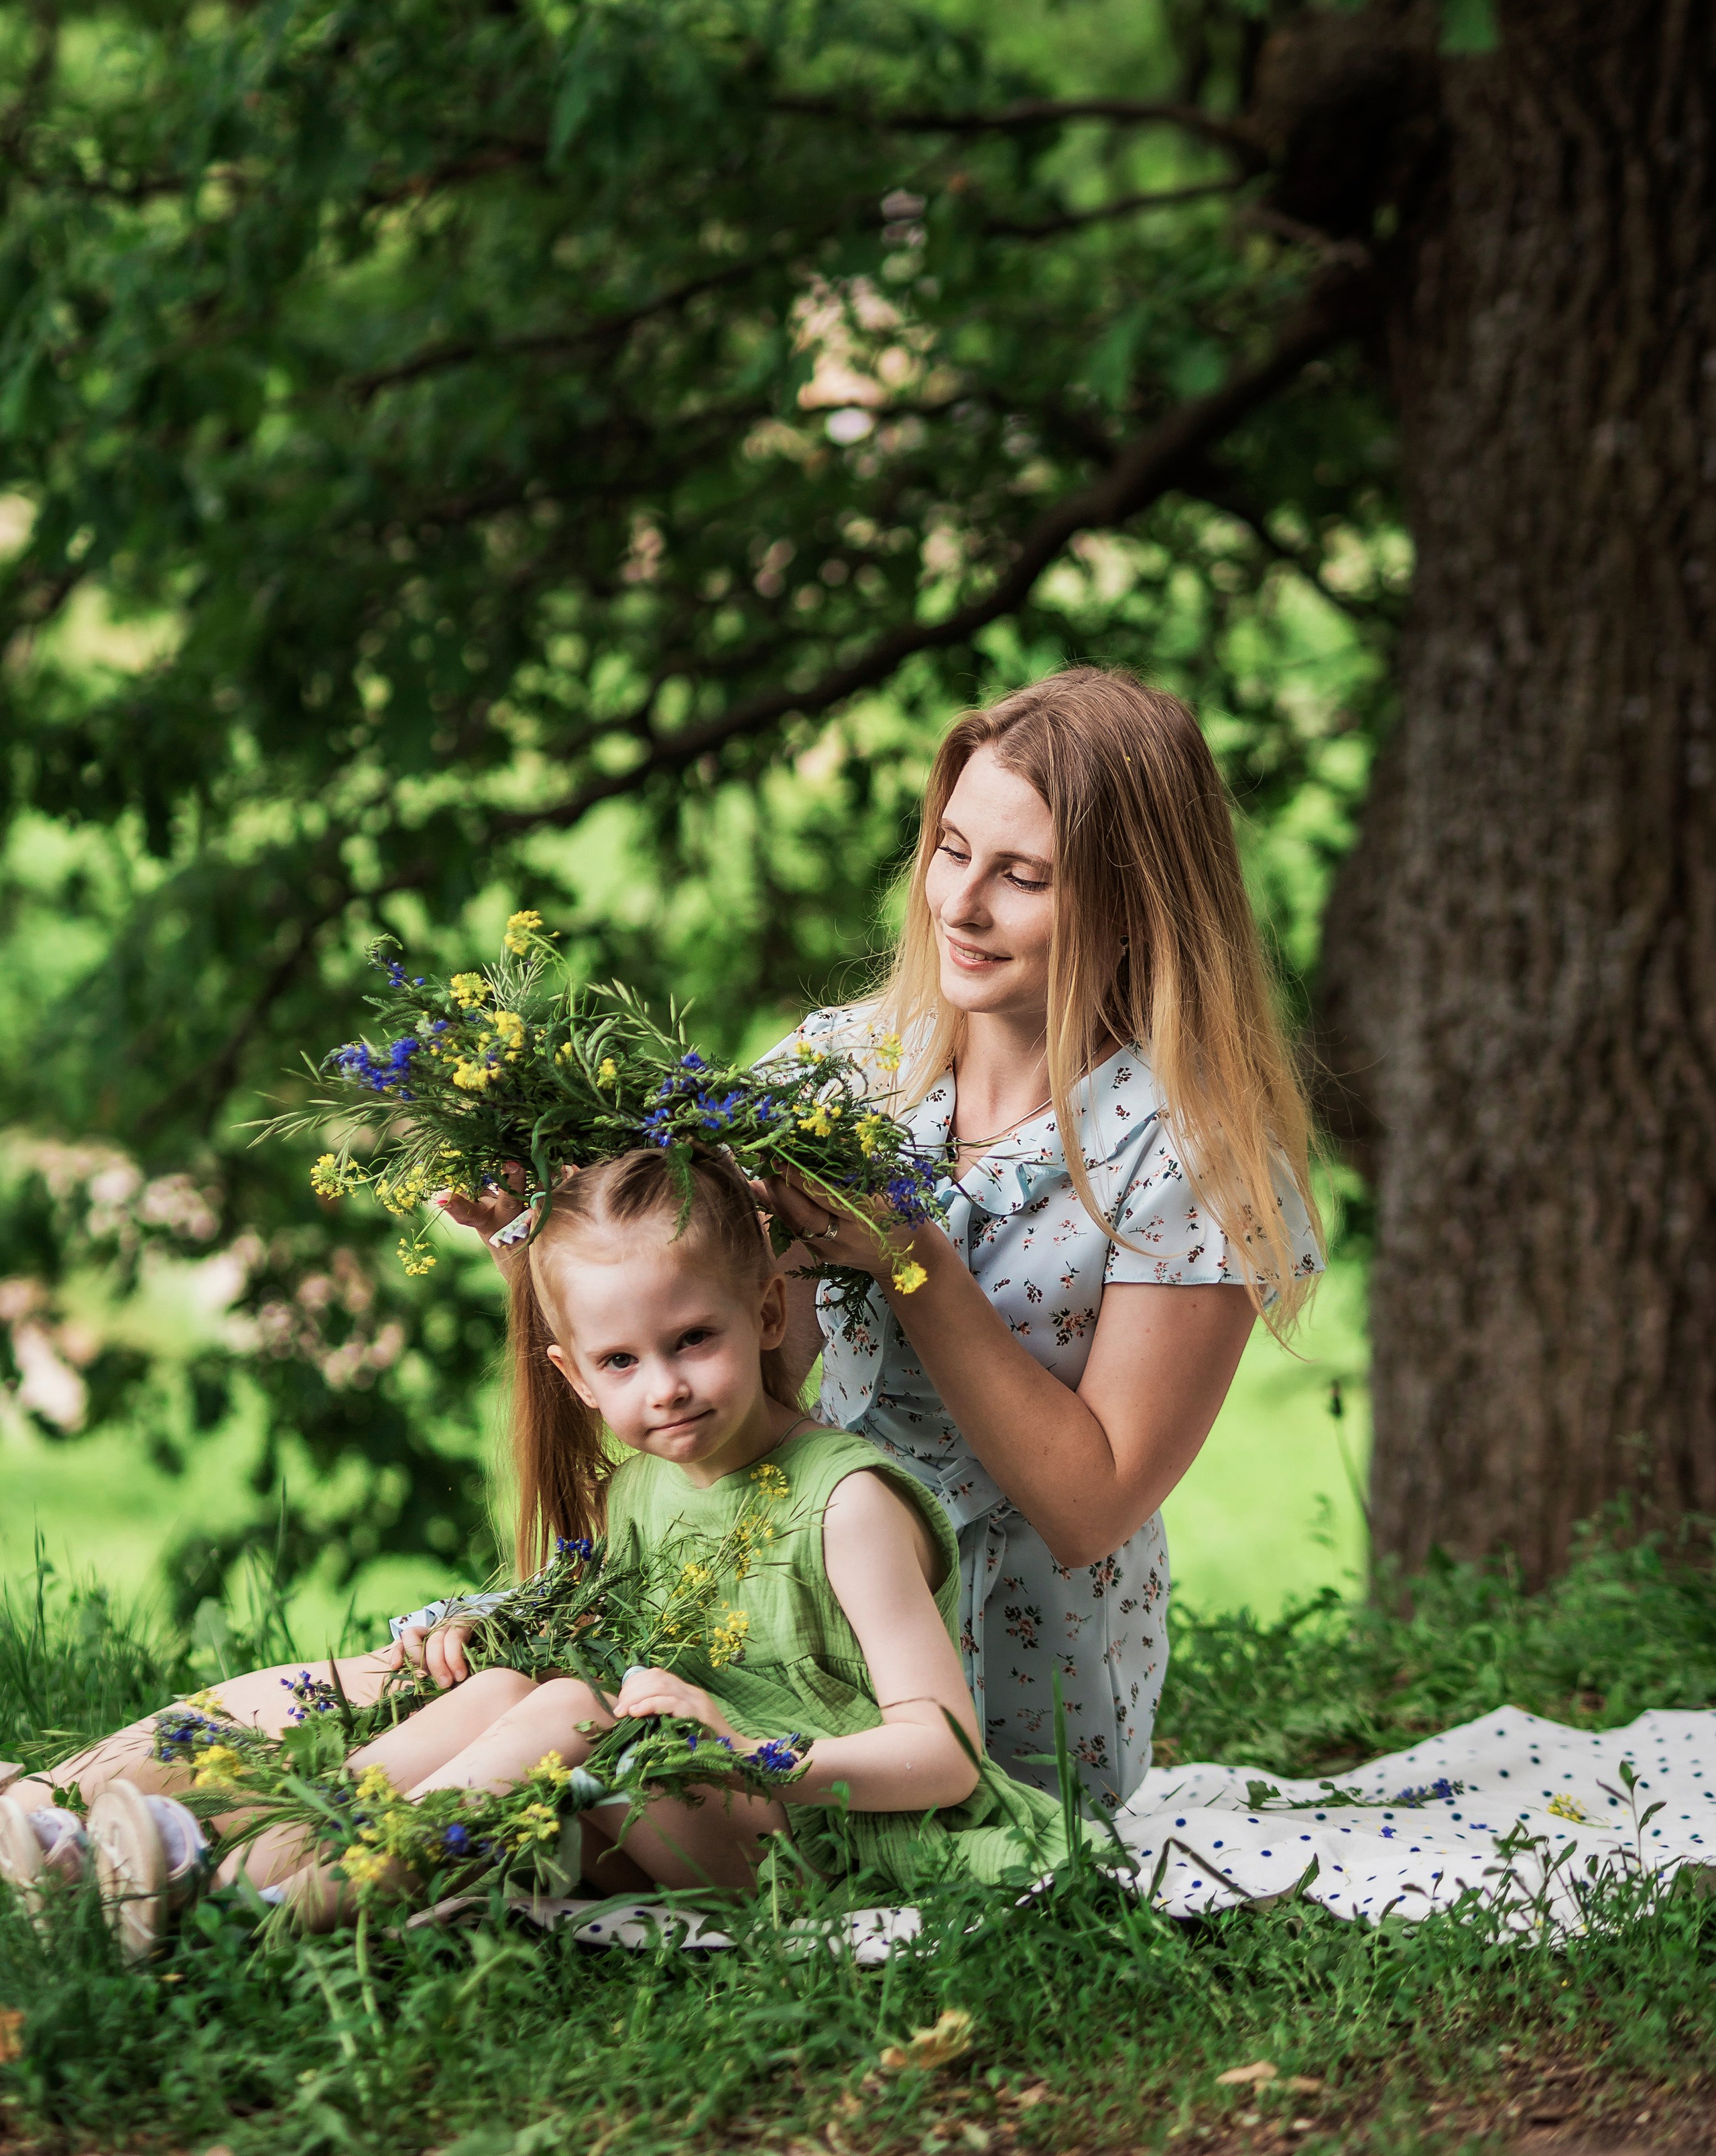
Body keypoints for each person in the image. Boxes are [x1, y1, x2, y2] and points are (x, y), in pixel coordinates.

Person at [450, 668, 1324, 1809]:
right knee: (473, 1701)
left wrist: (913, 1263)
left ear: (1137, 903)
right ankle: (215, 1850)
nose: (960, 904)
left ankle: (300, 1875)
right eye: (951, 849)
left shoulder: (1198, 1158)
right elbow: (720, 1341)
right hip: (767, 1603)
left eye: (1023, 877)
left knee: (560, 1750)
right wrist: (533, 1231)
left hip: (991, 1692)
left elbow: (1090, 1504)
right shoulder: (847, 1068)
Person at [1, 1150, 1071, 1942]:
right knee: (500, 1689)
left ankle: (248, 1918)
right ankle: (202, 1861)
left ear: (771, 1313)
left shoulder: (846, 1505)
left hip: (822, 1844)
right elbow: (589, 1641)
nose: (665, 1386)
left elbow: (944, 1754)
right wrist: (478, 1629)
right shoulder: (650, 1484)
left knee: (563, 1709)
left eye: (694, 1338)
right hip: (673, 1802)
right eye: (621, 1361)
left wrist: (756, 1759)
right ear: (574, 1375)